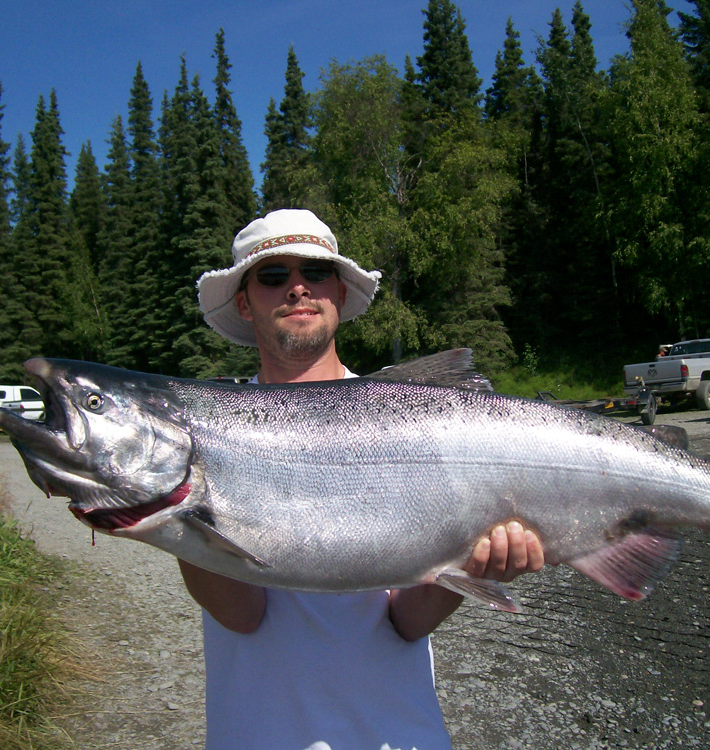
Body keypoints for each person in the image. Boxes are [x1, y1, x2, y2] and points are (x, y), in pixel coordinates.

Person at [185, 208, 544, 750]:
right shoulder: (216, 428)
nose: (298, 288)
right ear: (244, 301)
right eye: (273, 276)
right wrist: (178, 513)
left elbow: (405, 622)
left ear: (340, 293)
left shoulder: (412, 419)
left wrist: (475, 571)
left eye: (316, 271)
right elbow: (242, 614)